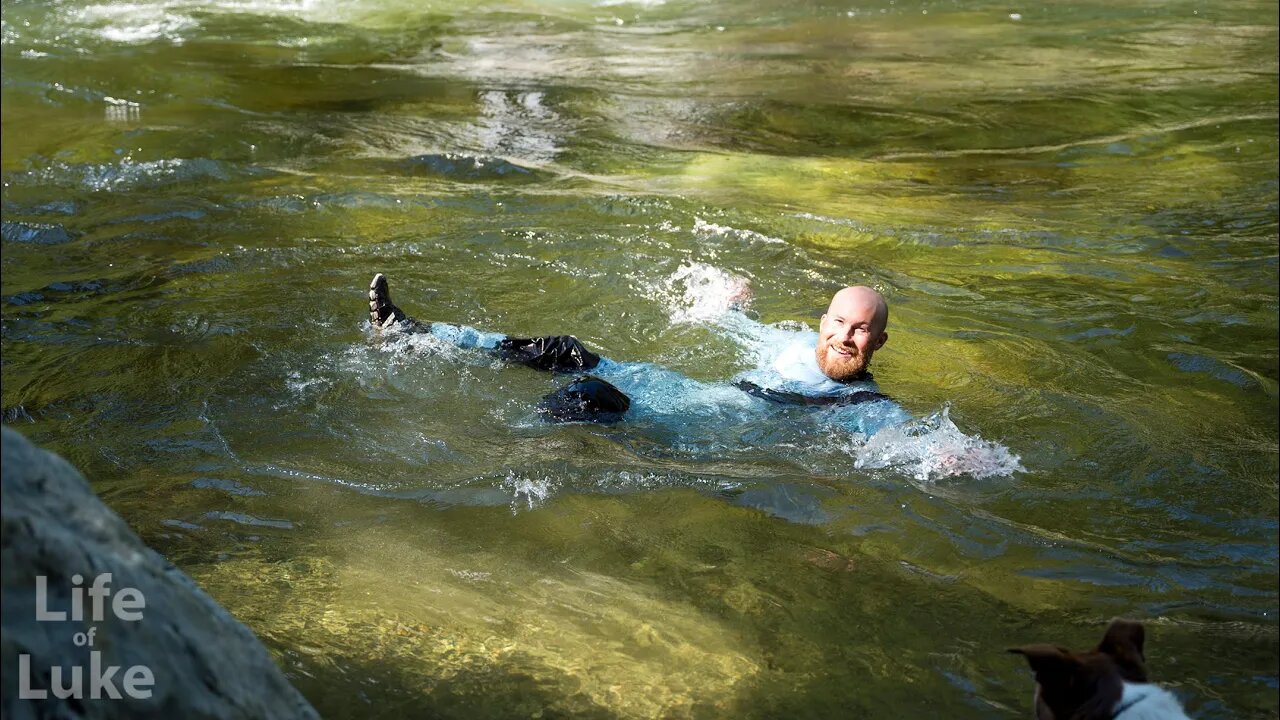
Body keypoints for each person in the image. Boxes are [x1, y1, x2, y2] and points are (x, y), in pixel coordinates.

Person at [366, 273, 909, 434]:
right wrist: (732, 306)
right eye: (839, 323)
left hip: (681, 423)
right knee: (562, 350)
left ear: (877, 342)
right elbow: (742, 330)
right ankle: (411, 331)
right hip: (662, 385)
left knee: (588, 395)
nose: (845, 337)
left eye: (861, 331)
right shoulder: (793, 343)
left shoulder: (861, 405)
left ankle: (503, 451)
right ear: (823, 323)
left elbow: (909, 440)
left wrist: (958, 457)